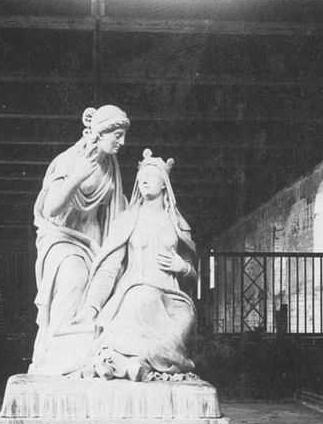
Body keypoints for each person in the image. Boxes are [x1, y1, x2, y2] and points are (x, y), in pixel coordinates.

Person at [75, 149, 197, 381]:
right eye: (141, 175)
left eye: (151, 173)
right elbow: (109, 268)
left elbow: (193, 277)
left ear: (165, 184)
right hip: (134, 290)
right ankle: (120, 362)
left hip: (172, 300)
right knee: (141, 300)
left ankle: (132, 362)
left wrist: (183, 267)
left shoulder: (178, 224)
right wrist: (92, 306)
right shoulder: (128, 219)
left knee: (180, 323)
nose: (144, 179)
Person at [29, 105, 130, 373]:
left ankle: (89, 355)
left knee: (116, 278)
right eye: (117, 135)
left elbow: (117, 210)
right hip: (63, 238)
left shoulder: (110, 166)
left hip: (96, 240)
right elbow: (51, 208)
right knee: (74, 276)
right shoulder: (70, 159)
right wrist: (75, 178)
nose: (122, 142)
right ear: (101, 131)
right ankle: (58, 357)